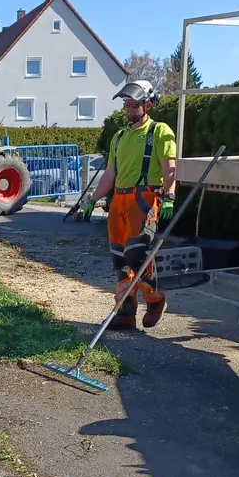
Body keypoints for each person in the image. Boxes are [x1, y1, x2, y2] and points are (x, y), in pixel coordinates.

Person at [79, 80, 177, 329]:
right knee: (119, 261)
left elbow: (169, 169)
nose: (130, 109)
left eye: (135, 104)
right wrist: (92, 199)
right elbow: (110, 174)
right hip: (118, 202)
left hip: (143, 200)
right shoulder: (119, 137)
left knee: (137, 256)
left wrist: (169, 196)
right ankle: (125, 312)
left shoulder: (159, 132)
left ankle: (156, 299)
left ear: (148, 105)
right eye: (127, 104)